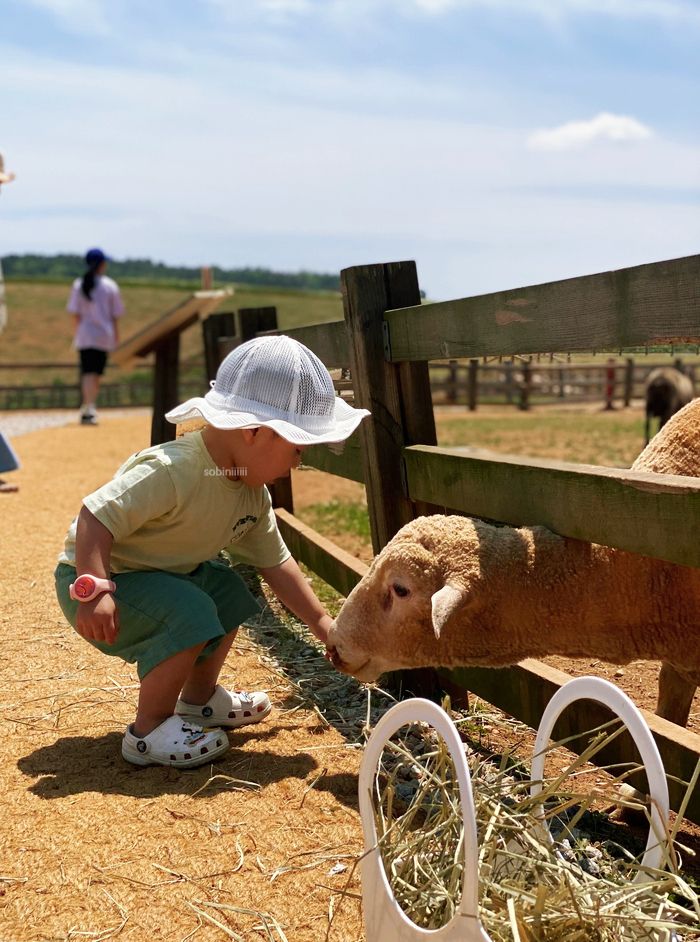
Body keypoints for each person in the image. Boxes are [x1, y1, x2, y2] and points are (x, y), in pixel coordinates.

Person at [55, 335, 369, 768]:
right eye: (297, 449)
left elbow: (275, 562)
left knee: (226, 589)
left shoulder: (250, 492)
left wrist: (325, 626)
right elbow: (95, 516)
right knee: (191, 608)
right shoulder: (175, 470)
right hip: (98, 580)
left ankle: (198, 701)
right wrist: (94, 590)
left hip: (163, 576)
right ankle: (148, 731)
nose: (298, 463)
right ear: (254, 432)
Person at [67, 248, 124, 425]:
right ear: (101, 264)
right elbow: (116, 315)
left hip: (85, 335)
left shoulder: (79, 284)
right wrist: (116, 338)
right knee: (95, 374)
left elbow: (75, 313)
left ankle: (88, 406)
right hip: (103, 336)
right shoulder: (109, 286)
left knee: (87, 372)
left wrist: (76, 333)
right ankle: (89, 407)